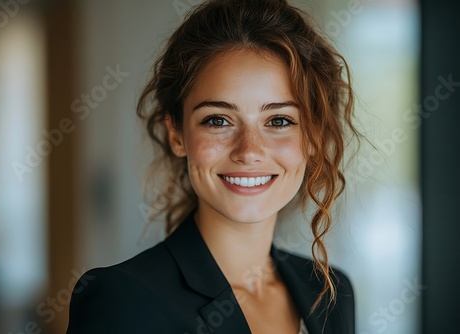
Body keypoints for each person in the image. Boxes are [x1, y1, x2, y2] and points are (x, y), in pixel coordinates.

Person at [67, 0, 360, 333]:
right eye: (218, 120)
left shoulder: (332, 292)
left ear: (313, 137)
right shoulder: (121, 299)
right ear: (176, 134)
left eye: (279, 120)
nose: (249, 151)